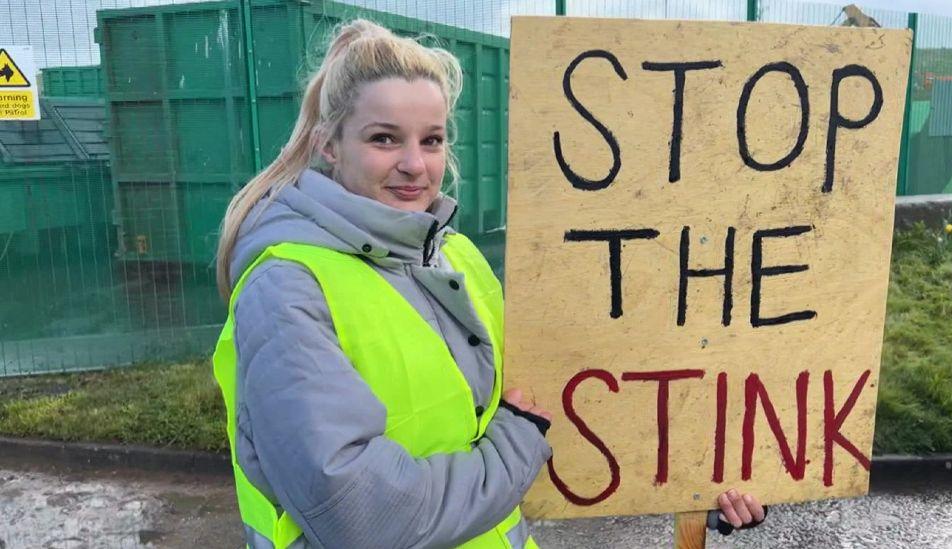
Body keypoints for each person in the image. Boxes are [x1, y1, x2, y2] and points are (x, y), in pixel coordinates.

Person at [212, 19, 766, 548]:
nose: (414, 164)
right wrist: (515, 446)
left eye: (431, 140)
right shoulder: (286, 289)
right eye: (384, 139)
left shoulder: (455, 256)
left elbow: (549, 401)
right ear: (330, 145)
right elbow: (359, 515)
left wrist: (694, 479)